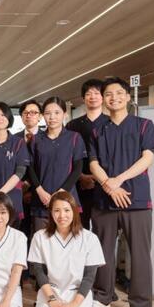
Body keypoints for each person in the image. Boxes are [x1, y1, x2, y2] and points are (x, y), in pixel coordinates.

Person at [89, 77, 154, 307]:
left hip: (136, 200)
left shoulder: (144, 125)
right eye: (108, 94)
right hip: (104, 201)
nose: (113, 98)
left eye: (119, 93)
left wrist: (118, 180)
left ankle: (140, 306)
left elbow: (147, 157)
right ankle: (103, 297)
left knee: (139, 254)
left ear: (128, 97)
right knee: (102, 252)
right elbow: (93, 163)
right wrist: (108, 184)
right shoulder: (98, 130)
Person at [28, 191, 105, 307]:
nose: (61, 215)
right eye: (56, 210)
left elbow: (89, 277)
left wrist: (73, 304)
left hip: (77, 293)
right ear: (50, 213)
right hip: (50, 291)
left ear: (75, 211)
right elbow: (39, 273)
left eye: (67, 210)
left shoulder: (89, 238)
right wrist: (52, 300)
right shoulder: (40, 237)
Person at [27, 97, 86, 232]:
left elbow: (77, 168)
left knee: (69, 244)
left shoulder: (74, 137)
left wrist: (61, 192)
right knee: (41, 244)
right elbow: (30, 168)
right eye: (48, 113)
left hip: (67, 199)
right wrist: (40, 191)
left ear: (65, 114)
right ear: (42, 116)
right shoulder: (36, 139)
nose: (52, 117)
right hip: (42, 201)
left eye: (57, 113)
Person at [66, 79, 109, 229]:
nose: (92, 97)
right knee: (79, 227)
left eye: (97, 93)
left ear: (103, 97)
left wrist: (99, 179)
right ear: (83, 98)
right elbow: (67, 156)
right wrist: (81, 177)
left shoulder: (110, 123)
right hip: (78, 184)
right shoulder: (72, 125)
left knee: (103, 230)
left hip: (105, 184)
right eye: (88, 94)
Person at [16, 100, 43, 241]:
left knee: (40, 234)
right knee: (21, 232)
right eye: (26, 113)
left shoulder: (46, 138)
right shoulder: (14, 138)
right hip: (17, 192)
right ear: (21, 117)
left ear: (40, 116)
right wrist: (22, 186)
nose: (29, 115)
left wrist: (32, 187)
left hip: (41, 192)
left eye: (33, 112)